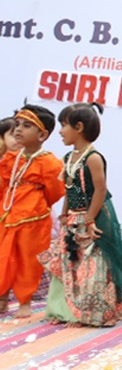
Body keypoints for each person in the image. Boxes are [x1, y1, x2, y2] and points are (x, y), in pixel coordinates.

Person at [39, 103, 122, 326]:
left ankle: (93, 312)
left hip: (94, 216)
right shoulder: (69, 157)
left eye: (63, 126)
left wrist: (89, 219)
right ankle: (65, 311)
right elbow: (72, 188)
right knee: (69, 263)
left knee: (92, 265)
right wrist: (64, 212)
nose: (59, 131)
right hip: (74, 217)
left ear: (79, 127)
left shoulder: (93, 157)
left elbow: (100, 190)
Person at [0, 105, 64, 318]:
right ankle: (2, 298)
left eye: (26, 126)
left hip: (33, 220)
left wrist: (34, 202)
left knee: (28, 261)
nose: (18, 130)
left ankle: (25, 302)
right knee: (3, 257)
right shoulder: (12, 157)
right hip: (7, 214)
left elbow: (55, 191)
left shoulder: (49, 162)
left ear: (42, 134)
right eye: (17, 125)